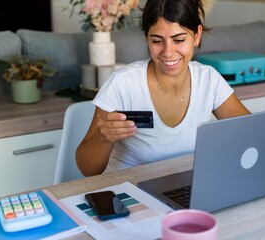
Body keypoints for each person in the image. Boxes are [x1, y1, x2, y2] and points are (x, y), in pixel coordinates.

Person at [76, 0, 251, 176]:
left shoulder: (209, 80)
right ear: (147, 38)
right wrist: (103, 138)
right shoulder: (123, 83)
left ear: (197, 35)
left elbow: (253, 132)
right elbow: (87, 169)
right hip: (128, 191)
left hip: (184, 188)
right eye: (157, 41)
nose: (168, 52)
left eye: (179, 40)